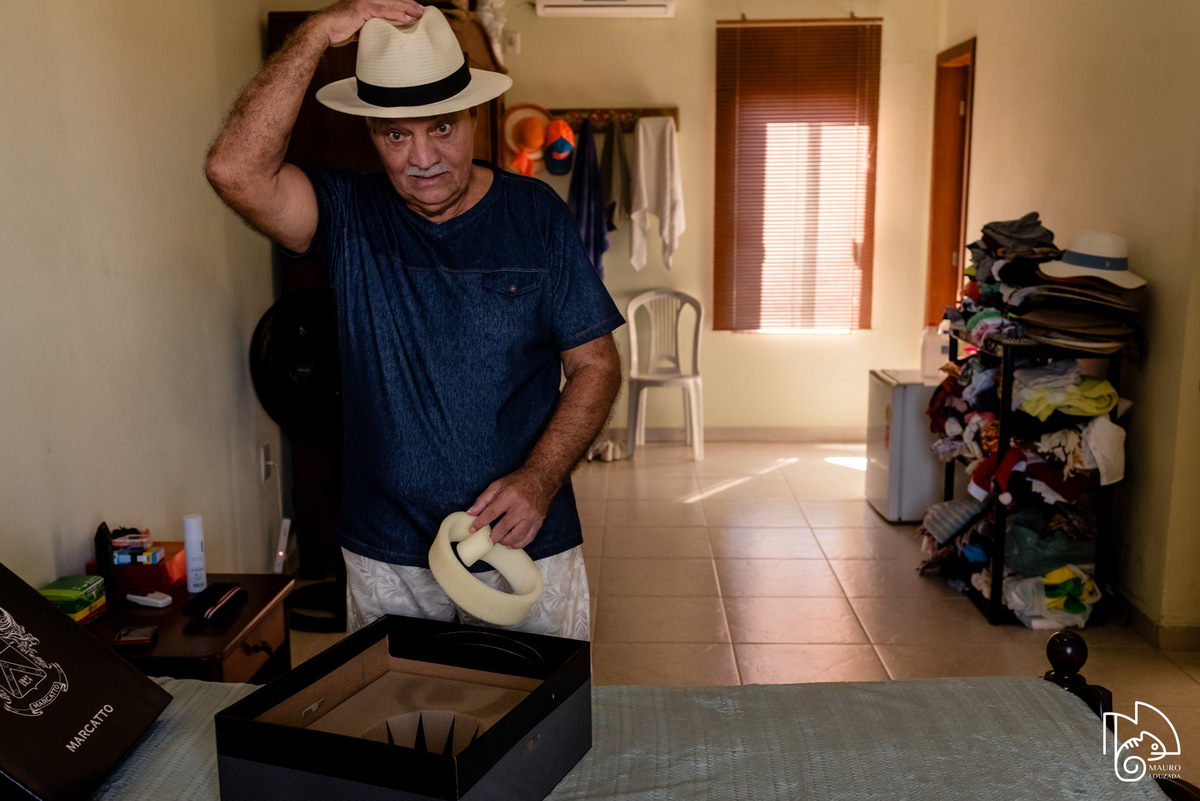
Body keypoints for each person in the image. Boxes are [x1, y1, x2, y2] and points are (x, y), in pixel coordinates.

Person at [205, 0, 624, 640]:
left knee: (536, 730)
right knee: (404, 732)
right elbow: (234, 169)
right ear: (371, 132)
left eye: (443, 128)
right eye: (396, 135)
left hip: (522, 538)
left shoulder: (535, 216)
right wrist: (314, 35)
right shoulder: (347, 214)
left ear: (476, 118)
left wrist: (539, 480)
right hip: (387, 552)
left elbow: (595, 364)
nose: (422, 158)